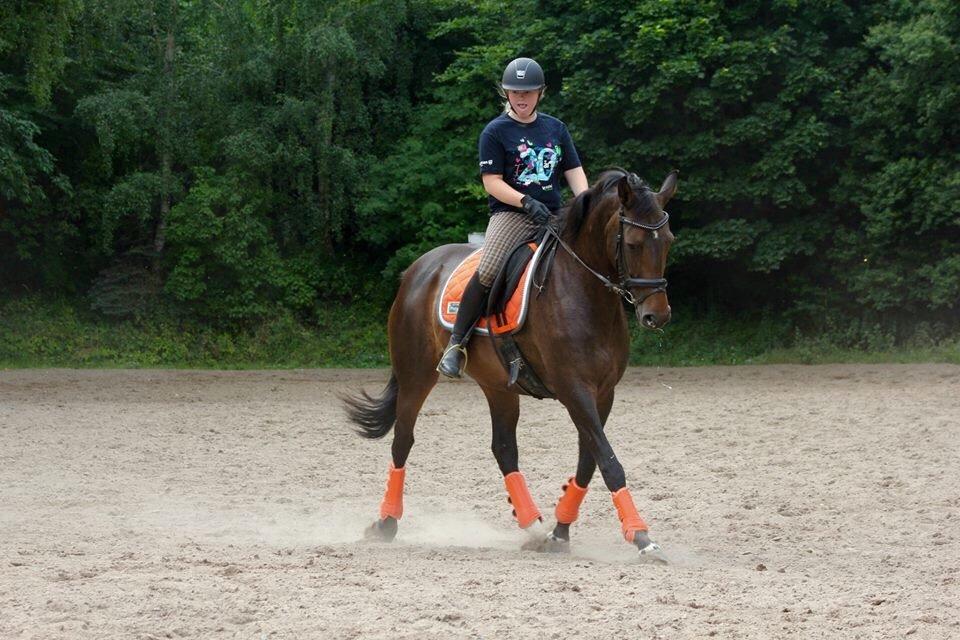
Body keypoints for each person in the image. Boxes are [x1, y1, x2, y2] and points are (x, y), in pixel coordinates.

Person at [437, 57, 589, 378]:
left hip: (555, 214)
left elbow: (573, 170)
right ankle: (456, 343)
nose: (522, 98)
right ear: (506, 92)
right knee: (490, 268)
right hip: (512, 214)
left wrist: (584, 202)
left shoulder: (555, 128)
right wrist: (524, 200)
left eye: (529, 92)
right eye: (515, 92)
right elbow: (491, 181)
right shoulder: (495, 131)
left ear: (541, 93)